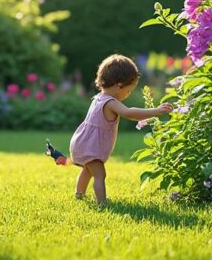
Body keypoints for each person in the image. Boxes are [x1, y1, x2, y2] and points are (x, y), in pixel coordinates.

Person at [69, 54, 171, 205]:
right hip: (90, 146)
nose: (128, 94)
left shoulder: (99, 97)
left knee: (88, 171)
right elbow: (130, 113)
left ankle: (79, 195)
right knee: (99, 174)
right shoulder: (111, 103)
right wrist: (156, 111)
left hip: (81, 142)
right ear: (119, 85)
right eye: (129, 90)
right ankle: (102, 203)